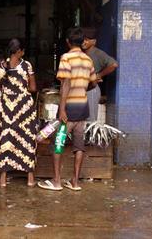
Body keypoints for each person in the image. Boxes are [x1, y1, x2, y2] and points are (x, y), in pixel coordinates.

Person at [38, 27, 97, 192]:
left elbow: (65, 85)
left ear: (68, 42)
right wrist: (82, 89)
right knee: (79, 145)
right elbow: (93, 83)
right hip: (83, 108)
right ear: (82, 42)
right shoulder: (88, 60)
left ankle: (57, 181)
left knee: (58, 143)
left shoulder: (66, 58)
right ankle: (75, 182)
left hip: (69, 108)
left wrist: (62, 109)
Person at [0, 38, 38, 188]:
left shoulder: (1, 66)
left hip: (7, 106)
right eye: (23, 51)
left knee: (6, 136)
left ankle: (3, 179)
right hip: (24, 106)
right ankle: (30, 179)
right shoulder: (27, 65)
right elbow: (33, 88)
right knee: (27, 137)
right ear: (19, 51)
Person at [82, 27, 118, 121]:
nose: (84, 42)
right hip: (81, 88)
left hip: (92, 89)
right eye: (83, 39)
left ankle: (90, 136)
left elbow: (114, 64)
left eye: (87, 40)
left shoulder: (98, 53)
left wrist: (99, 75)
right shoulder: (82, 53)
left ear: (94, 41)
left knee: (90, 119)